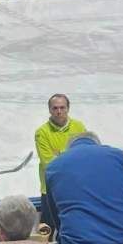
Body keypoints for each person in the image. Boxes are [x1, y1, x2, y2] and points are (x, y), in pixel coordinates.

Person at [34, 92, 86, 234]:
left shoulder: (79, 127)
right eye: (55, 108)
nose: (59, 112)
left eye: (62, 108)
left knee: (75, 227)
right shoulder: (42, 132)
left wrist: (60, 155)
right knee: (48, 231)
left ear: (68, 108)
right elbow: (49, 163)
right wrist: (70, 155)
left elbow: (84, 156)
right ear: (49, 110)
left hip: (75, 186)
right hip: (50, 189)